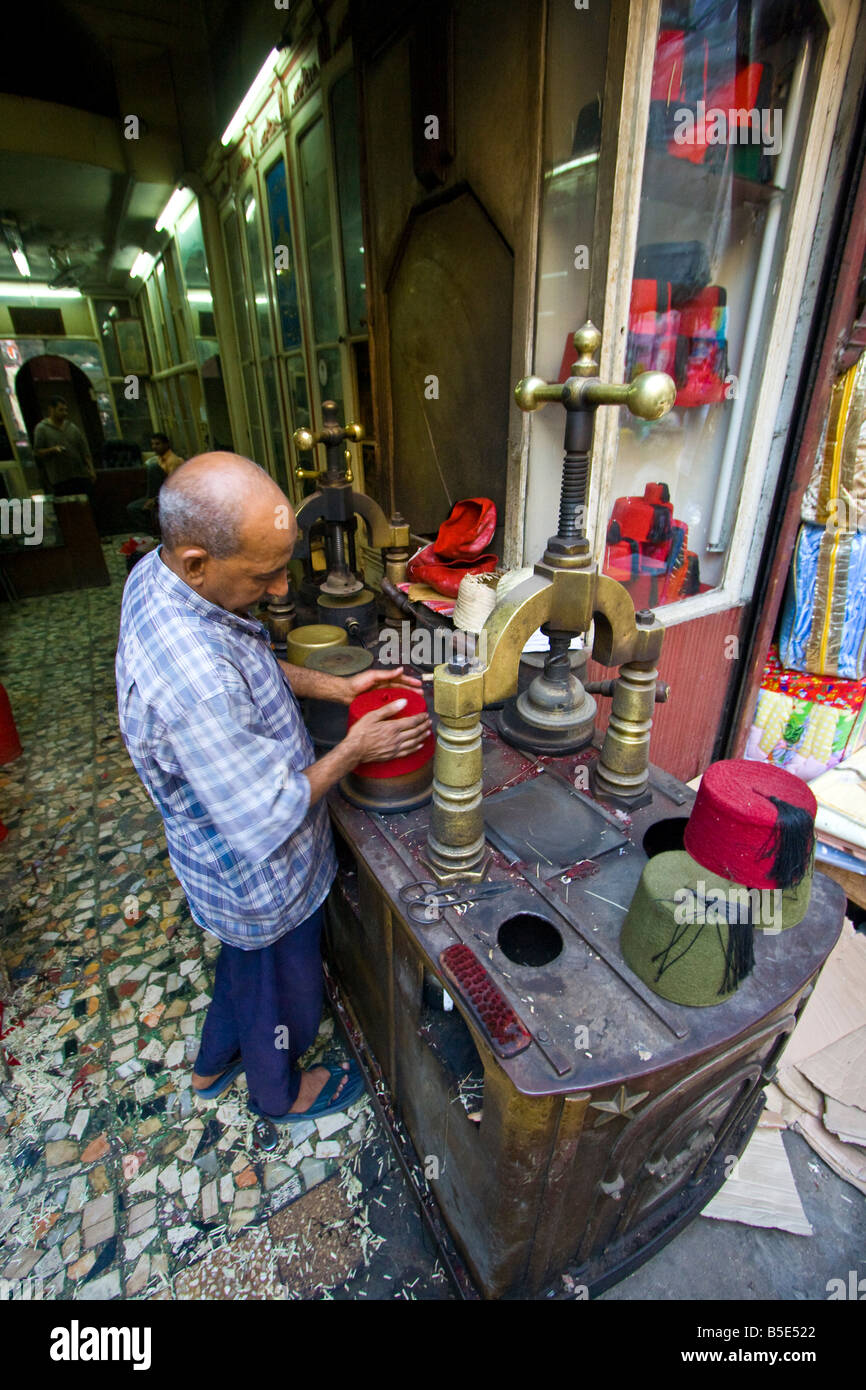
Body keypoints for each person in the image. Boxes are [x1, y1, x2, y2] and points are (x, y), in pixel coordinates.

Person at [115, 452, 431, 1126]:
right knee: (278, 989)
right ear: (198, 560)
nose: (281, 587)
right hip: (253, 872)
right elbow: (266, 819)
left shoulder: (160, 574)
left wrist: (335, 684)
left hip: (213, 858)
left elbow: (247, 656)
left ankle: (211, 1062)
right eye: (265, 575)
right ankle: (279, 1092)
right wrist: (356, 748)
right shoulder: (196, 680)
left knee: (243, 970)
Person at [32, 396, 96, 498]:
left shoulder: (71, 427)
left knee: (88, 503)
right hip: (60, 479)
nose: (64, 413)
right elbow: (37, 452)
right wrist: (52, 450)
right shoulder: (42, 429)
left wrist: (91, 469)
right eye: (61, 410)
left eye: (66, 410)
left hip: (80, 474)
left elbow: (84, 450)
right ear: (51, 410)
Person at [127, 433, 184, 535]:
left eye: (157, 444)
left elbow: (173, 485)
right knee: (132, 508)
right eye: (152, 444)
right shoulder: (159, 458)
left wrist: (155, 499)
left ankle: (152, 502)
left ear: (166, 444)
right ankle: (152, 532)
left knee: (153, 468)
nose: (154, 447)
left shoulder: (173, 460)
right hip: (158, 493)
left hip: (169, 496)